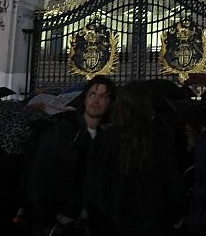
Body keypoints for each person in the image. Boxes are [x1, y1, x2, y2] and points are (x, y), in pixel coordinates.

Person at [83, 81, 184, 236]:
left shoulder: (106, 139)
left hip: (113, 221)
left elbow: (95, 184)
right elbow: (171, 183)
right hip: (153, 221)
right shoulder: (160, 138)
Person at [26, 76, 115, 235]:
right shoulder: (63, 131)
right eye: (92, 94)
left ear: (110, 102)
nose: (96, 100)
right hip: (63, 220)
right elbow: (42, 173)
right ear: (85, 98)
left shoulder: (110, 137)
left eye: (103, 96)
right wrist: (54, 215)